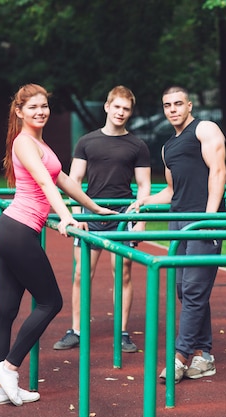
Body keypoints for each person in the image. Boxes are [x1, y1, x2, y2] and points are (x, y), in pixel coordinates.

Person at [0, 84, 117, 406]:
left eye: (44, 106)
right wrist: (67, 219)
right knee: (51, 302)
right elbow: (45, 182)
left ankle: (0, 388)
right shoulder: (24, 143)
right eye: (33, 107)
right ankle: (9, 367)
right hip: (17, 231)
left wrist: (93, 207)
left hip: (9, 230)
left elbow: (63, 180)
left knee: (5, 312)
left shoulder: (39, 142)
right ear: (19, 112)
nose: (41, 112)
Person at [127, 86, 226, 383]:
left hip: (202, 220)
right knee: (185, 288)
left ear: (189, 105)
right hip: (178, 221)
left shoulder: (205, 129)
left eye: (178, 104)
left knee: (195, 288)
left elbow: (218, 171)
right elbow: (171, 191)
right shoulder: (168, 146)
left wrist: (209, 218)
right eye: (167, 105)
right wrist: (145, 201)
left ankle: (180, 356)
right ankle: (204, 354)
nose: (172, 109)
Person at [53, 86, 151, 353]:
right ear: (107, 107)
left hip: (122, 216)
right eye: (116, 107)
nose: (121, 112)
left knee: (123, 274)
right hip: (91, 213)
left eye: (126, 109)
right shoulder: (86, 142)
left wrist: (140, 219)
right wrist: (75, 214)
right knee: (81, 274)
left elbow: (144, 185)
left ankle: (122, 332)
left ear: (130, 113)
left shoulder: (137, 145)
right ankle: (76, 330)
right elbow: (74, 180)